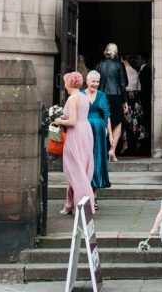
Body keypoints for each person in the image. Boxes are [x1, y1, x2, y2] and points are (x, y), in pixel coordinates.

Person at [55, 70, 95, 215]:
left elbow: (72, 121)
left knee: (75, 169)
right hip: (86, 131)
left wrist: (59, 120)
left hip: (76, 133)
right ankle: (69, 204)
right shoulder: (84, 97)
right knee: (80, 168)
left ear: (69, 83)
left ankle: (82, 204)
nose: (64, 85)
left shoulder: (72, 99)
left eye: (65, 82)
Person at [82, 69, 112, 200]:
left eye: (97, 81)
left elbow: (107, 115)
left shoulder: (102, 95)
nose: (95, 84)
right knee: (85, 159)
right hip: (84, 130)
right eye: (93, 81)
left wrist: (110, 134)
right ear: (87, 81)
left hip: (99, 132)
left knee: (97, 159)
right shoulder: (81, 95)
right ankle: (84, 192)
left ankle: (94, 194)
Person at [96, 42, 127, 162]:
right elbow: (124, 84)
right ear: (116, 52)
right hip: (115, 96)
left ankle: (101, 151)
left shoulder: (99, 64)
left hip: (101, 96)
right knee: (117, 123)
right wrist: (125, 101)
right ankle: (112, 151)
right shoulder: (119, 65)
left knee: (103, 122)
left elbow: (95, 80)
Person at [122, 53, 146, 156]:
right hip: (135, 98)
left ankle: (125, 143)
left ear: (123, 60)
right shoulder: (135, 72)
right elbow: (139, 88)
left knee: (125, 121)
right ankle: (137, 142)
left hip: (126, 97)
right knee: (137, 121)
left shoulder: (123, 71)